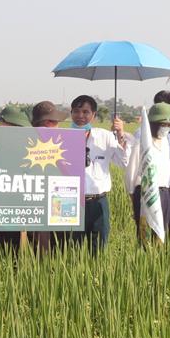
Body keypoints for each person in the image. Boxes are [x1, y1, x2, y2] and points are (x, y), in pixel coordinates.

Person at [67, 95, 128, 253]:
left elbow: (123, 162)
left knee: (99, 249)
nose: (81, 116)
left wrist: (120, 133)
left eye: (86, 112)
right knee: (72, 248)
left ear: (93, 115)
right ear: (71, 113)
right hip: (70, 201)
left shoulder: (104, 137)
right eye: (77, 111)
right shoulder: (62, 137)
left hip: (98, 202)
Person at [125, 102, 170, 242]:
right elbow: (131, 174)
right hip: (145, 193)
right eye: (164, 124)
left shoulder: (167, 143)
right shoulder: (142, 144)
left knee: (163, 234)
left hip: (164, 193)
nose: (167, 128)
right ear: (154, 124)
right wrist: (134, 197)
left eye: (169, 125)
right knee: (146, 236)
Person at [28, 101, 68, 253]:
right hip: (39, 204)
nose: (58, 125)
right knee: (44, 247)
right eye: (56, 121)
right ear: (48, 122)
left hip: (54, 202)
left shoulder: (26, 139)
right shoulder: (54, 142)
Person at [0, 105, 32, 256]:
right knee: (8, 249)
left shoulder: (30, 147)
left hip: (28, 205)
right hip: (4, 206)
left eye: (3, 123)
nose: (0, 127)